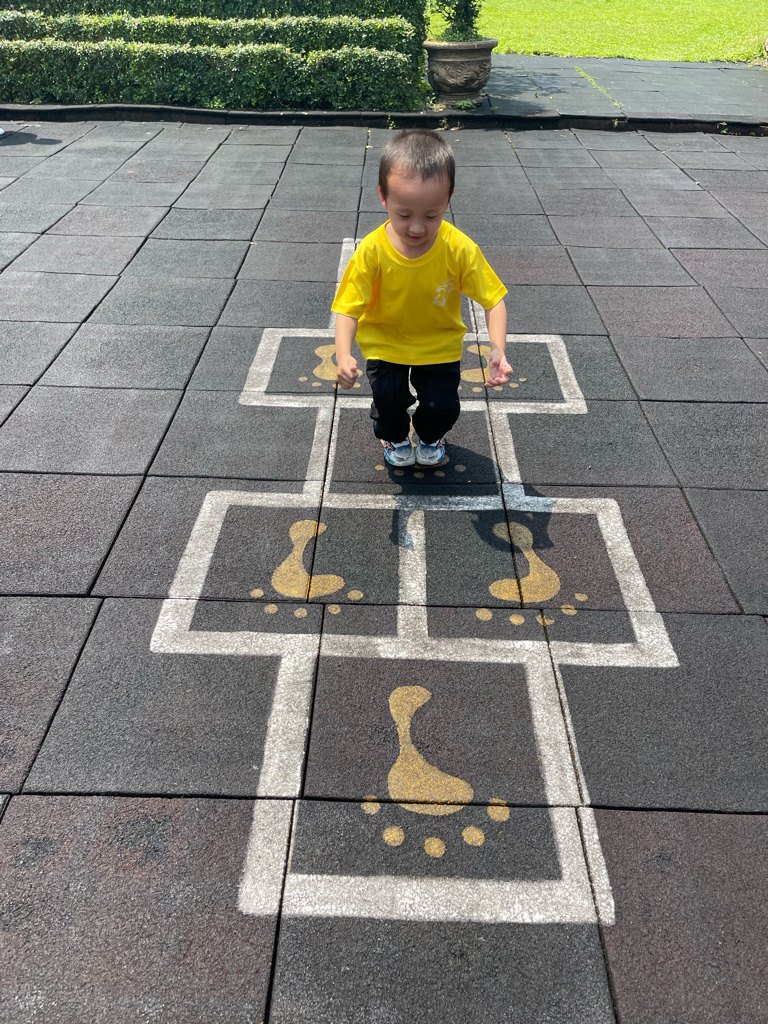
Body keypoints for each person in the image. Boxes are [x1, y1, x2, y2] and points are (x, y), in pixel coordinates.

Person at [332, 128, 511, 468]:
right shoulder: (372, 251)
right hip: (386, 343)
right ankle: (393, 435)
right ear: (383, 197)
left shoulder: (458, 248)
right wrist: (343, 354)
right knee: (388, 401)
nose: (417, 228)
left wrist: (498, 348)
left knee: (443, 406)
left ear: (449, 199)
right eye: (404, 215)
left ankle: (431, 434)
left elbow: (493, 299)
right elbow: (348, 308)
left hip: (438, 344)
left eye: (431, 215)